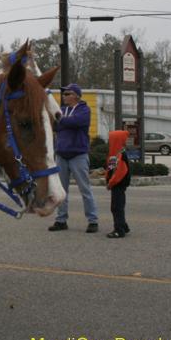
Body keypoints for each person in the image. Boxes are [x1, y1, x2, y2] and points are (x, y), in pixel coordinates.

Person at [48, 84, 99, 233]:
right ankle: (61, 220)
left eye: (67, 94)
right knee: (61, 191)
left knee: (85, 189)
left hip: (79, 155)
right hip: (61, 155)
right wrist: (65, 122)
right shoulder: (62, 111)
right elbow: (54, 126)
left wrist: (62, 121)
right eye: (63, 94)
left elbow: (76, 122)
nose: (63, 96)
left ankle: (93, 220)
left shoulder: (84, 109)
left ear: (75, 95)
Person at [105, 130, 131, 239]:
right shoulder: (114, 153)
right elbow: (110, 168)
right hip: (115, 185)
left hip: (119, 185)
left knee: (117, 207)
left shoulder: (121, 154)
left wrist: (111, 183)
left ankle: (119, 230)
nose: (109, 142)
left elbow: (120, 172)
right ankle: (124, 226)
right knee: (116, 207)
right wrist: (107, 177)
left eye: (111, 140)